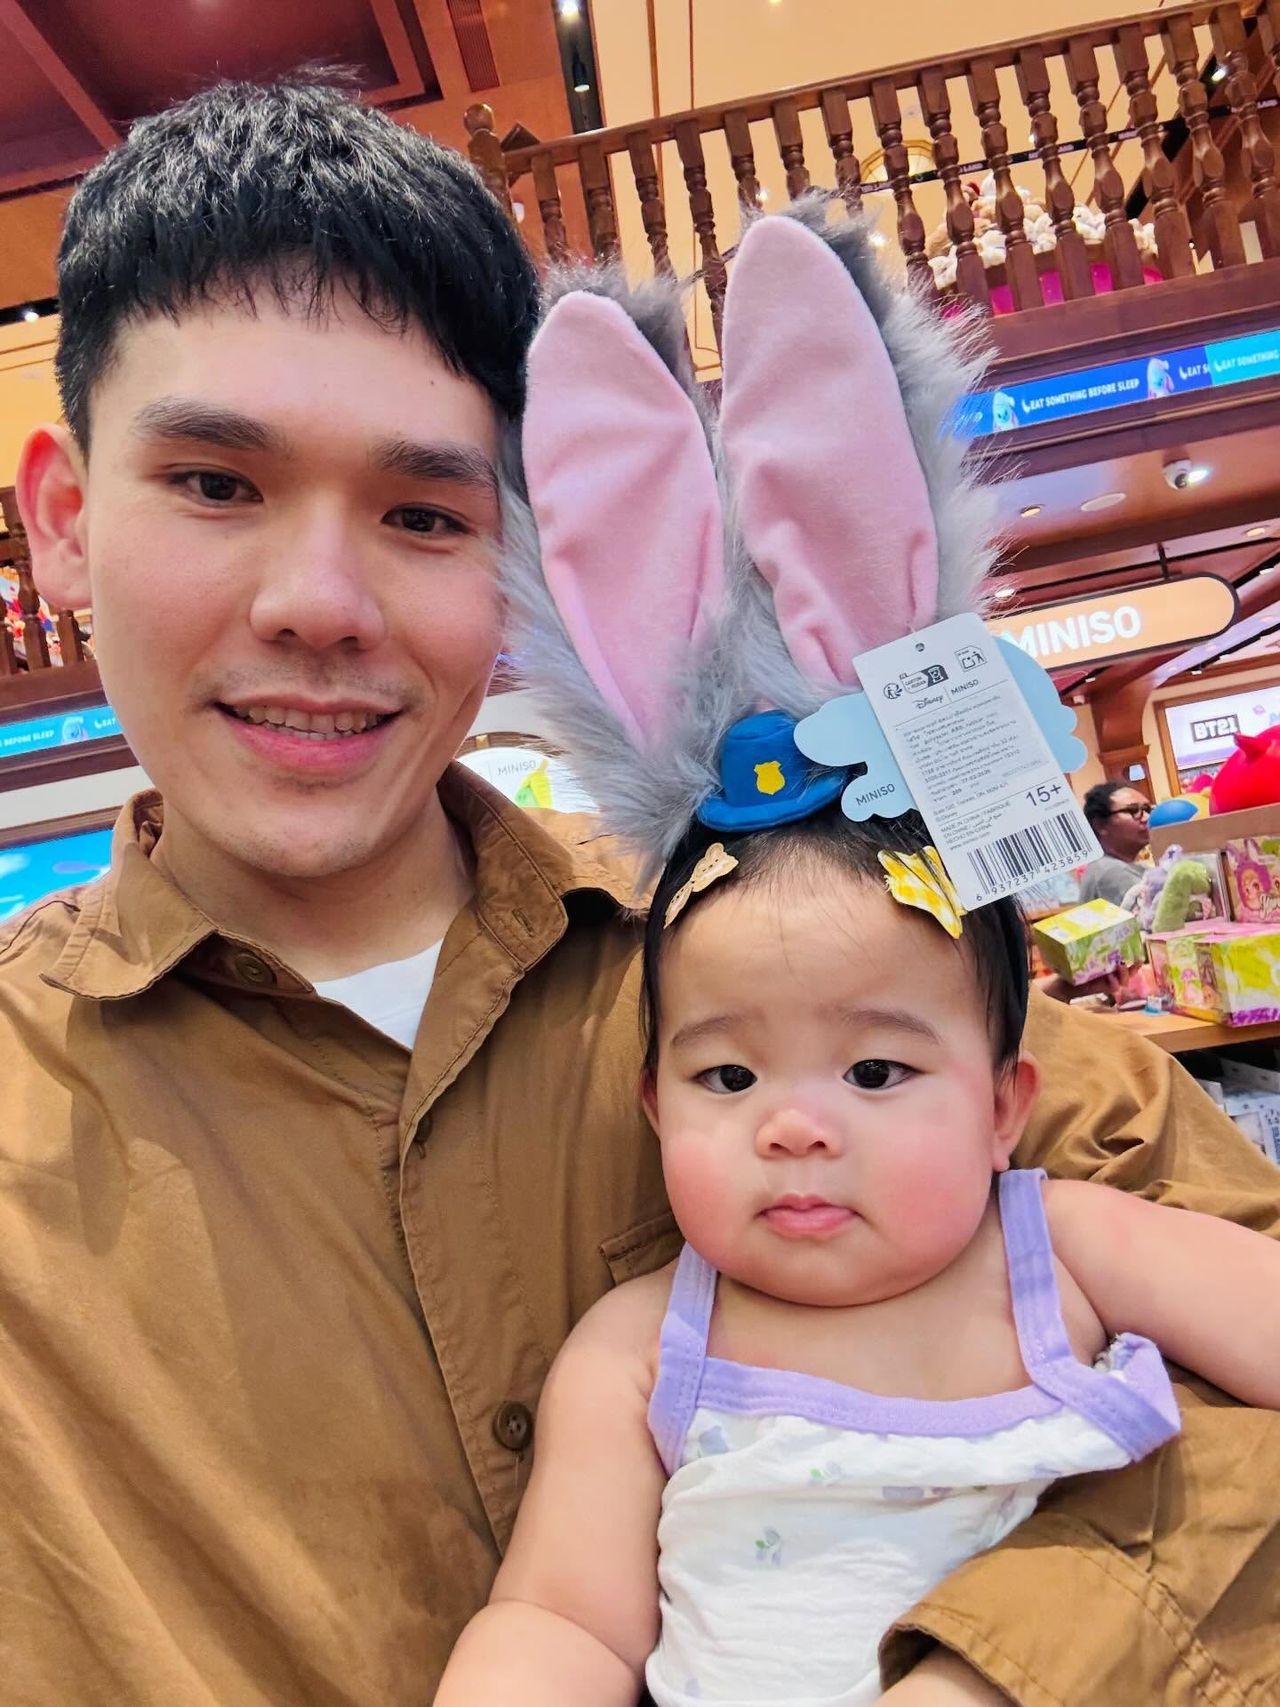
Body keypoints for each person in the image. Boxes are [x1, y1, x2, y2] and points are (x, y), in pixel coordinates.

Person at [2, 76, 1277, 1707]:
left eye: (423, 512)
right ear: (62, 521)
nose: (318, 601)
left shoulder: (797, 939)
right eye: (214, 483)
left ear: (520, 558)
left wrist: (994, 1663)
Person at [436, 211, 1278, 1704]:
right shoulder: (641, 1348)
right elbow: (562, 1617)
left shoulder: (1067, 1251)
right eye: (726, 1075)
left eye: (878, 1069)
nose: (795, 1122)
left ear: (1005, 1104)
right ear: (649, 1103)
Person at [1078, 780, 1151, 906]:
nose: (1147, 818)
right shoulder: (1110, 871)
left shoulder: (1129, 866)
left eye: (1147, 809)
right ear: (1101, 825)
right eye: (1133, 810)